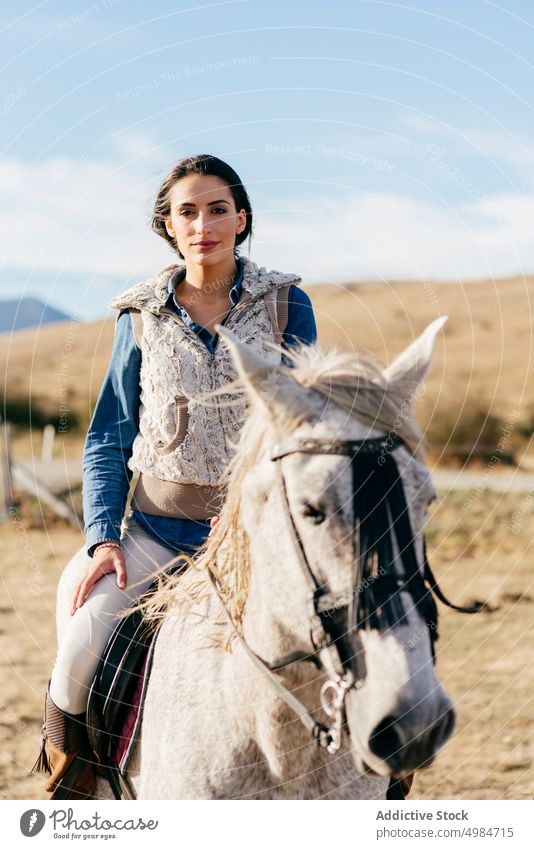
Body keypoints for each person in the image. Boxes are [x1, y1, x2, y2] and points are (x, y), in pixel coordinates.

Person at [30, 154, 317, 799]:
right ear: (168, 224)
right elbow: (108, 434)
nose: (203, 223)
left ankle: (378, 780)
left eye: (218, 209)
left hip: (259, 536)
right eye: (187, 211)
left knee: (353, 631)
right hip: (155, 533)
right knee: (80, 646)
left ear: (241, 220)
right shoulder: (139, 319)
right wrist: (103, 535)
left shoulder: (286, 304)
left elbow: (305, 422)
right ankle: (75, 794)